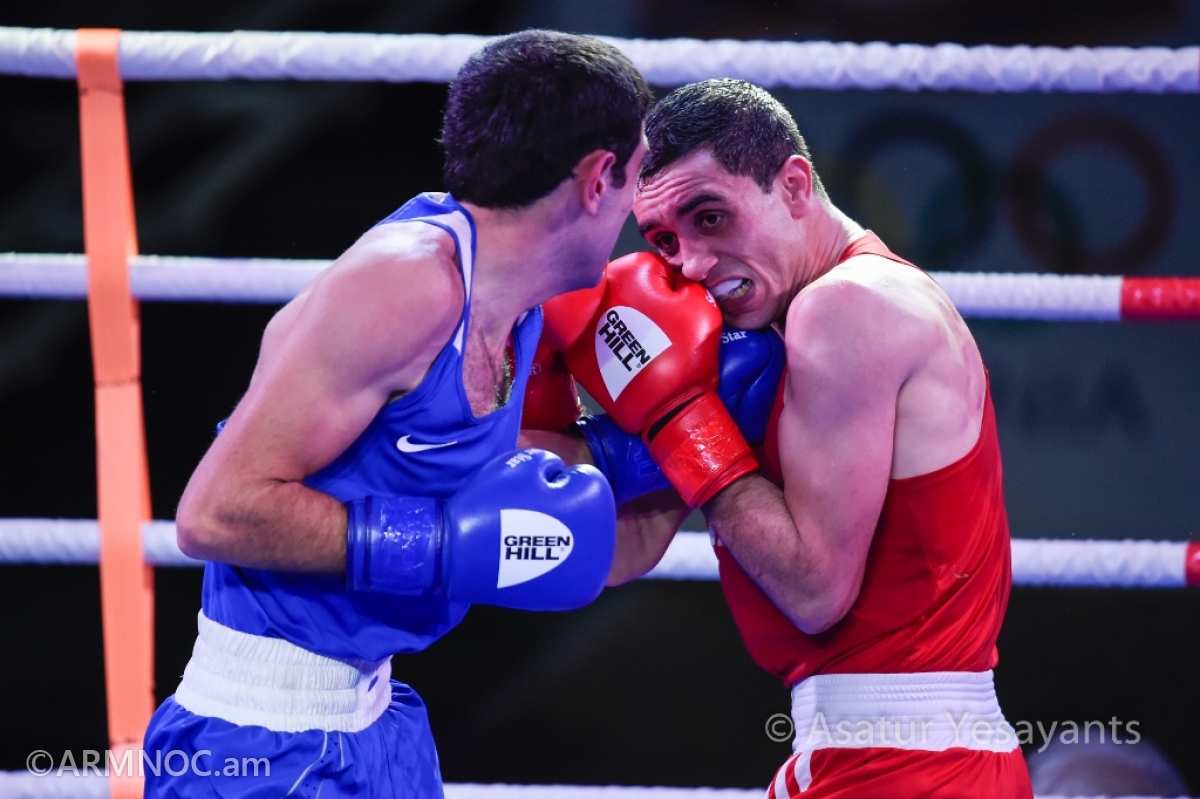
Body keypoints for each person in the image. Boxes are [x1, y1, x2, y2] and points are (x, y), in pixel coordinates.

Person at [143, 30, 653, 798]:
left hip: (381, 721)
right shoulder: (409, 286)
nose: (636, 208)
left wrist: (663, 449)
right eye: (637, 176)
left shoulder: (516, 302)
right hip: (259, 739)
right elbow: (214, 514)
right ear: (596, 177)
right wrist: (435, 546)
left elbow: (466, 475)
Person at [523, 79, 1033, 797]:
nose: (691, 263)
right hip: (888, 755)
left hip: (905, 763)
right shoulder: (756, 345)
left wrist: (680, 420)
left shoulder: (847, 306)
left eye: (711, 217)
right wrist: (538, 378)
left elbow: (815, 588)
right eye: (664, 240)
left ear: (793, 185)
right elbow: (618, 550)